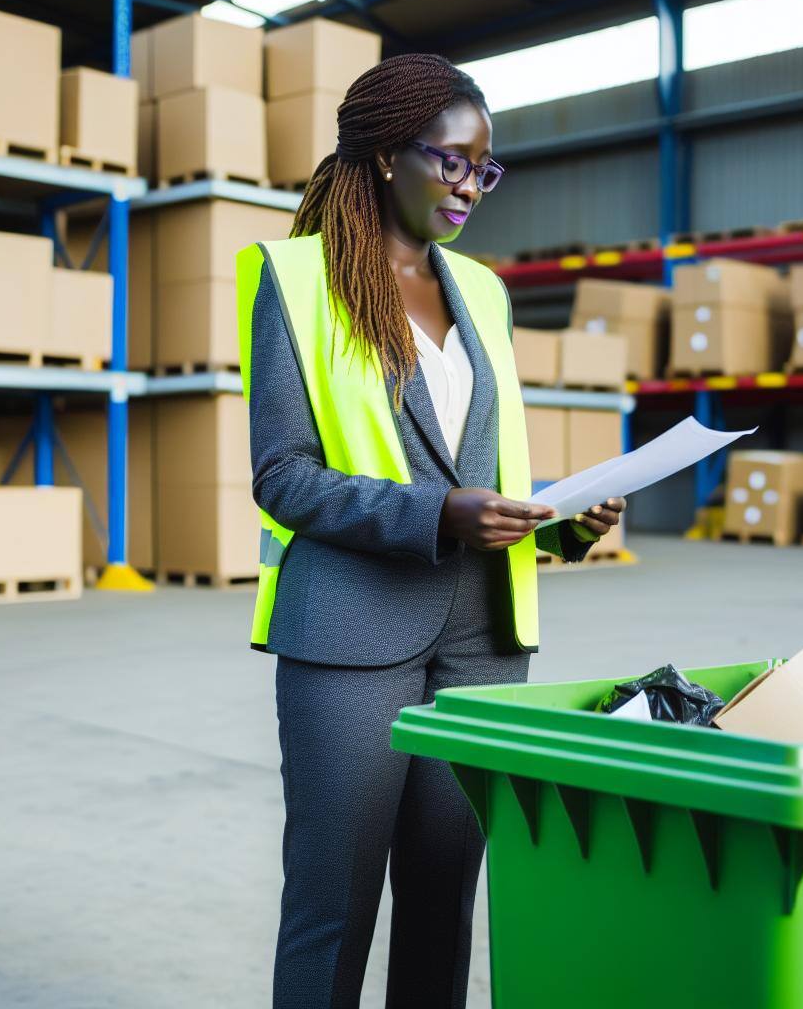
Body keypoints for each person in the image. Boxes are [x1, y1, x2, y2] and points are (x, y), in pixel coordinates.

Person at [236, 53, 626, 1008]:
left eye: (484, 169)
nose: (468, 186)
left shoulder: (483, 292)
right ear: (381, 155)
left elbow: (482, 463)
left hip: (481, 636)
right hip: (349, 634)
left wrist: (563, 522)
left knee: (445, 900)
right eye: (450, 161)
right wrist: (436, 514)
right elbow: (281, 475)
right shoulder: (296, 278)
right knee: (333, 907)